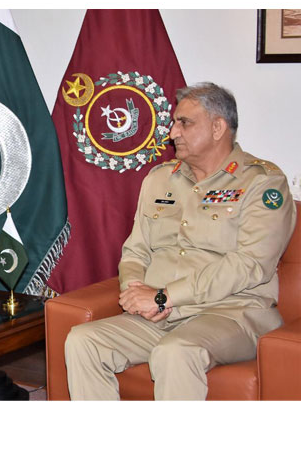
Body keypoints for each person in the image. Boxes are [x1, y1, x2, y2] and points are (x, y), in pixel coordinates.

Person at [64, 82, 297, 400]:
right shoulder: (160, 178)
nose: (172, 132)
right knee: (83, 340)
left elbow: (250, 264)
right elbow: (136, 249)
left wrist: (163, 296)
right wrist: (135, 292)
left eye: (184, 123)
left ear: (218, 127)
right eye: (174, 123)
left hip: (232, 314)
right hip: (160, 313)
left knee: (175, 352)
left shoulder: (263, 182)